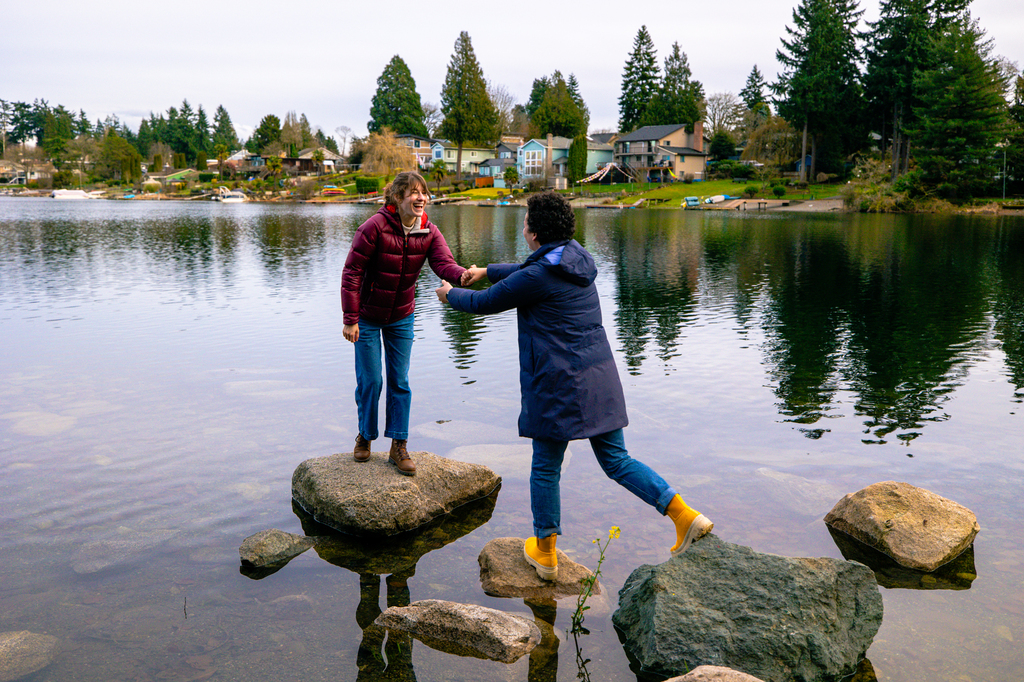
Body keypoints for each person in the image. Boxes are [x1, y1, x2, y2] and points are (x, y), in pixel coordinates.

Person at [435, 191, 712, 581]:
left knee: (546, 467)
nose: (524, 226)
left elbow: (485, 304)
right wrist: (486, 270)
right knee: (617, 460)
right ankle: (685, 516)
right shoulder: (574, 258)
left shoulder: (536, 276)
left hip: (556, 385)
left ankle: (545, 554)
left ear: (533, 231)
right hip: (599, 378)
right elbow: (527, 270)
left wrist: (451, 295)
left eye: (526, 220)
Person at [341, 171, 466, 476]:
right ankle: (365, 436)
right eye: (414, 192)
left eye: (423, 192)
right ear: (398, 198)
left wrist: (462, 275)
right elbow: (352, 273)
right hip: (367, 317)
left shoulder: (429, 231)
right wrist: (350, 319)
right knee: (371, 380)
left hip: (402, 315)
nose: (421, 197)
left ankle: (399, 445)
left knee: (401, 382)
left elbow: (443, 263)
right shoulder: (373, 228)